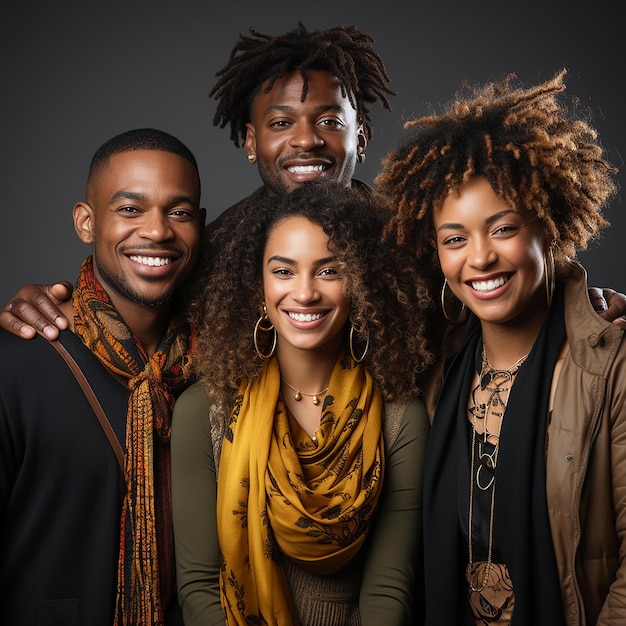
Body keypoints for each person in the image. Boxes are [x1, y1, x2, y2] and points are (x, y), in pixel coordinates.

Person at [1, 22, 625, 343]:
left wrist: (577, 306)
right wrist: (54, 305)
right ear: (250, 141)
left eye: (330, 120)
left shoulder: (415, 235)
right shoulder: (206, 250)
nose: (305, 140)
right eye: (279, 123)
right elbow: (134, 308)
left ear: (362, 136)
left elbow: (498, 292)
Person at [375, 68, 625, 625]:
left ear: (550, 227)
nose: (480, 258)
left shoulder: (610, 365)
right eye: (454, 239)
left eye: (504, 228)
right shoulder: (433, 365)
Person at [171, 179, 432, 625]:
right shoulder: (203, 411)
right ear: (259, 286)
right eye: (284, 271)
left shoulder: (399, 417)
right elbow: (197, 585)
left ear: (362, 283)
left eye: (330, 271)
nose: (306, 292)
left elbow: (390, 590)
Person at [0, 128, 205, 626]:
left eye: (178, 212)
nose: (157, 231)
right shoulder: (18, 363)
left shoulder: (219, 367)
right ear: (86, 222)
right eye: (130, 209)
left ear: (200, 225)